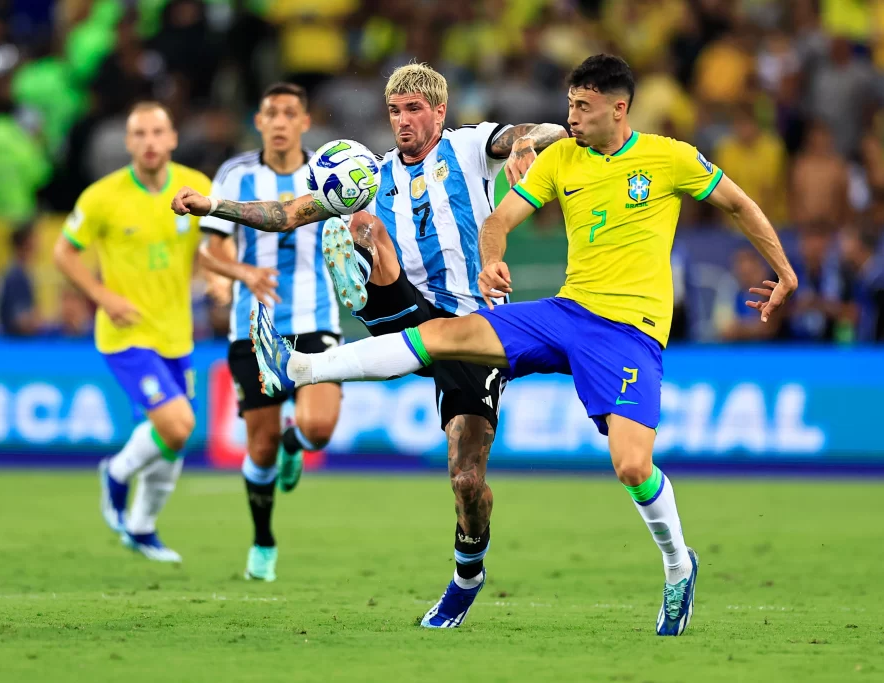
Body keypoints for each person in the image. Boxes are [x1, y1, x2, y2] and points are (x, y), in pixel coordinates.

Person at [247, 55, 799, 636]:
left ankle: (678, 563)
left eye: (582, 107)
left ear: (619, 108)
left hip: (629, 333)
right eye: (568, 105)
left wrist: (783, 272)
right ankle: (301, 366)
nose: (572, 117)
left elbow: (740, 204)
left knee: (633, 466)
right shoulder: (560, 159)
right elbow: (498, 221)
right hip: (565, 314)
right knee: (441, 337)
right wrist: (491, 265)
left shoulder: (670, 157)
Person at [172, 62, 568, 627]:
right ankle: (354, 299)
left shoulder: (473, 147)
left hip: (476, 332)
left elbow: (539, 131)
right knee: (356, 223)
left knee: (467, 480)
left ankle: (467, 576)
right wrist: (214, 207)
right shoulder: (373, 175)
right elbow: (287, 213)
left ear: (438, 111)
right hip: (406, 315)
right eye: (394, 111)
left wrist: (531, 144)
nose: (402, 121)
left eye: (413, 110)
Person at [195, 83, 344, 582]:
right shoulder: (236, 175)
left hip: (317, 321)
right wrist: (243, 275)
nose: (280, 121)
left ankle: (294, 445)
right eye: (271, 113)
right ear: (259, 122)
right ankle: (263, 539)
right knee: (255, 448)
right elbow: (209, 251)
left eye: (290, 113)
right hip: (253, 329)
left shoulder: (326, 172)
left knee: (319, 429)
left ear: (305, 122)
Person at [53, 101, 211, 563]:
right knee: (178, 423)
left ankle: (142, 527)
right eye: (139, 133)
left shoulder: (195, 187)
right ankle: (117, 473)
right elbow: (64, 253)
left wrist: (220, 279)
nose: (149, 141)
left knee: (175, 439)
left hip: (177, 334)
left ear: (173, 138)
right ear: (128, 143)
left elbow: (214, 247)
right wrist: (102, 296)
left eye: (157, 131)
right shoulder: (102, 196)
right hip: (126, 334)